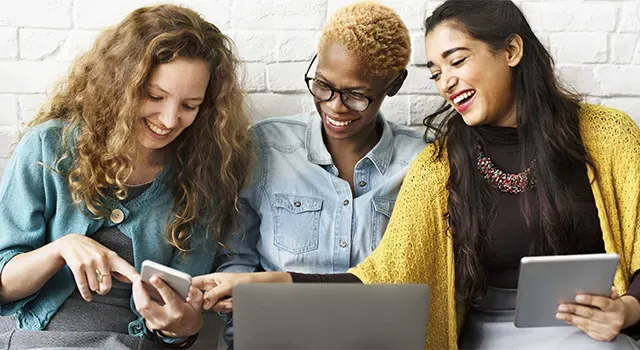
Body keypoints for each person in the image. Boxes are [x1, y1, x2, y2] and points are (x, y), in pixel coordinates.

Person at [193, 1, 640, 349]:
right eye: (436, 71)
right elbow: (382, 274)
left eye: (457, 61)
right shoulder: (440, 164)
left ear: (512, 50)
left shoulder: (607, 135)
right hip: (487, 336)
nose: (445, 81)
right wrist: (261, 283)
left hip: (590, 334)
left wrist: (630, 308)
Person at [0, 4, 252, 349]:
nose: (168, 119)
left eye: (189, 106)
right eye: (154, 96)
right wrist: (61, 249)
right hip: (32, 337)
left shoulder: (203, 175)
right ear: (120, 84)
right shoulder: (49, 147)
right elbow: (4, 284)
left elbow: (180, 323)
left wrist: (181, 325)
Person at [203, 1, 426, 348]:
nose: (334, 106)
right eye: (323, 85)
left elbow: (417, 278)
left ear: (394, 84)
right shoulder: (265, 147)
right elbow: (236, 258)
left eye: (356, 96)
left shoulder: (422, 162)